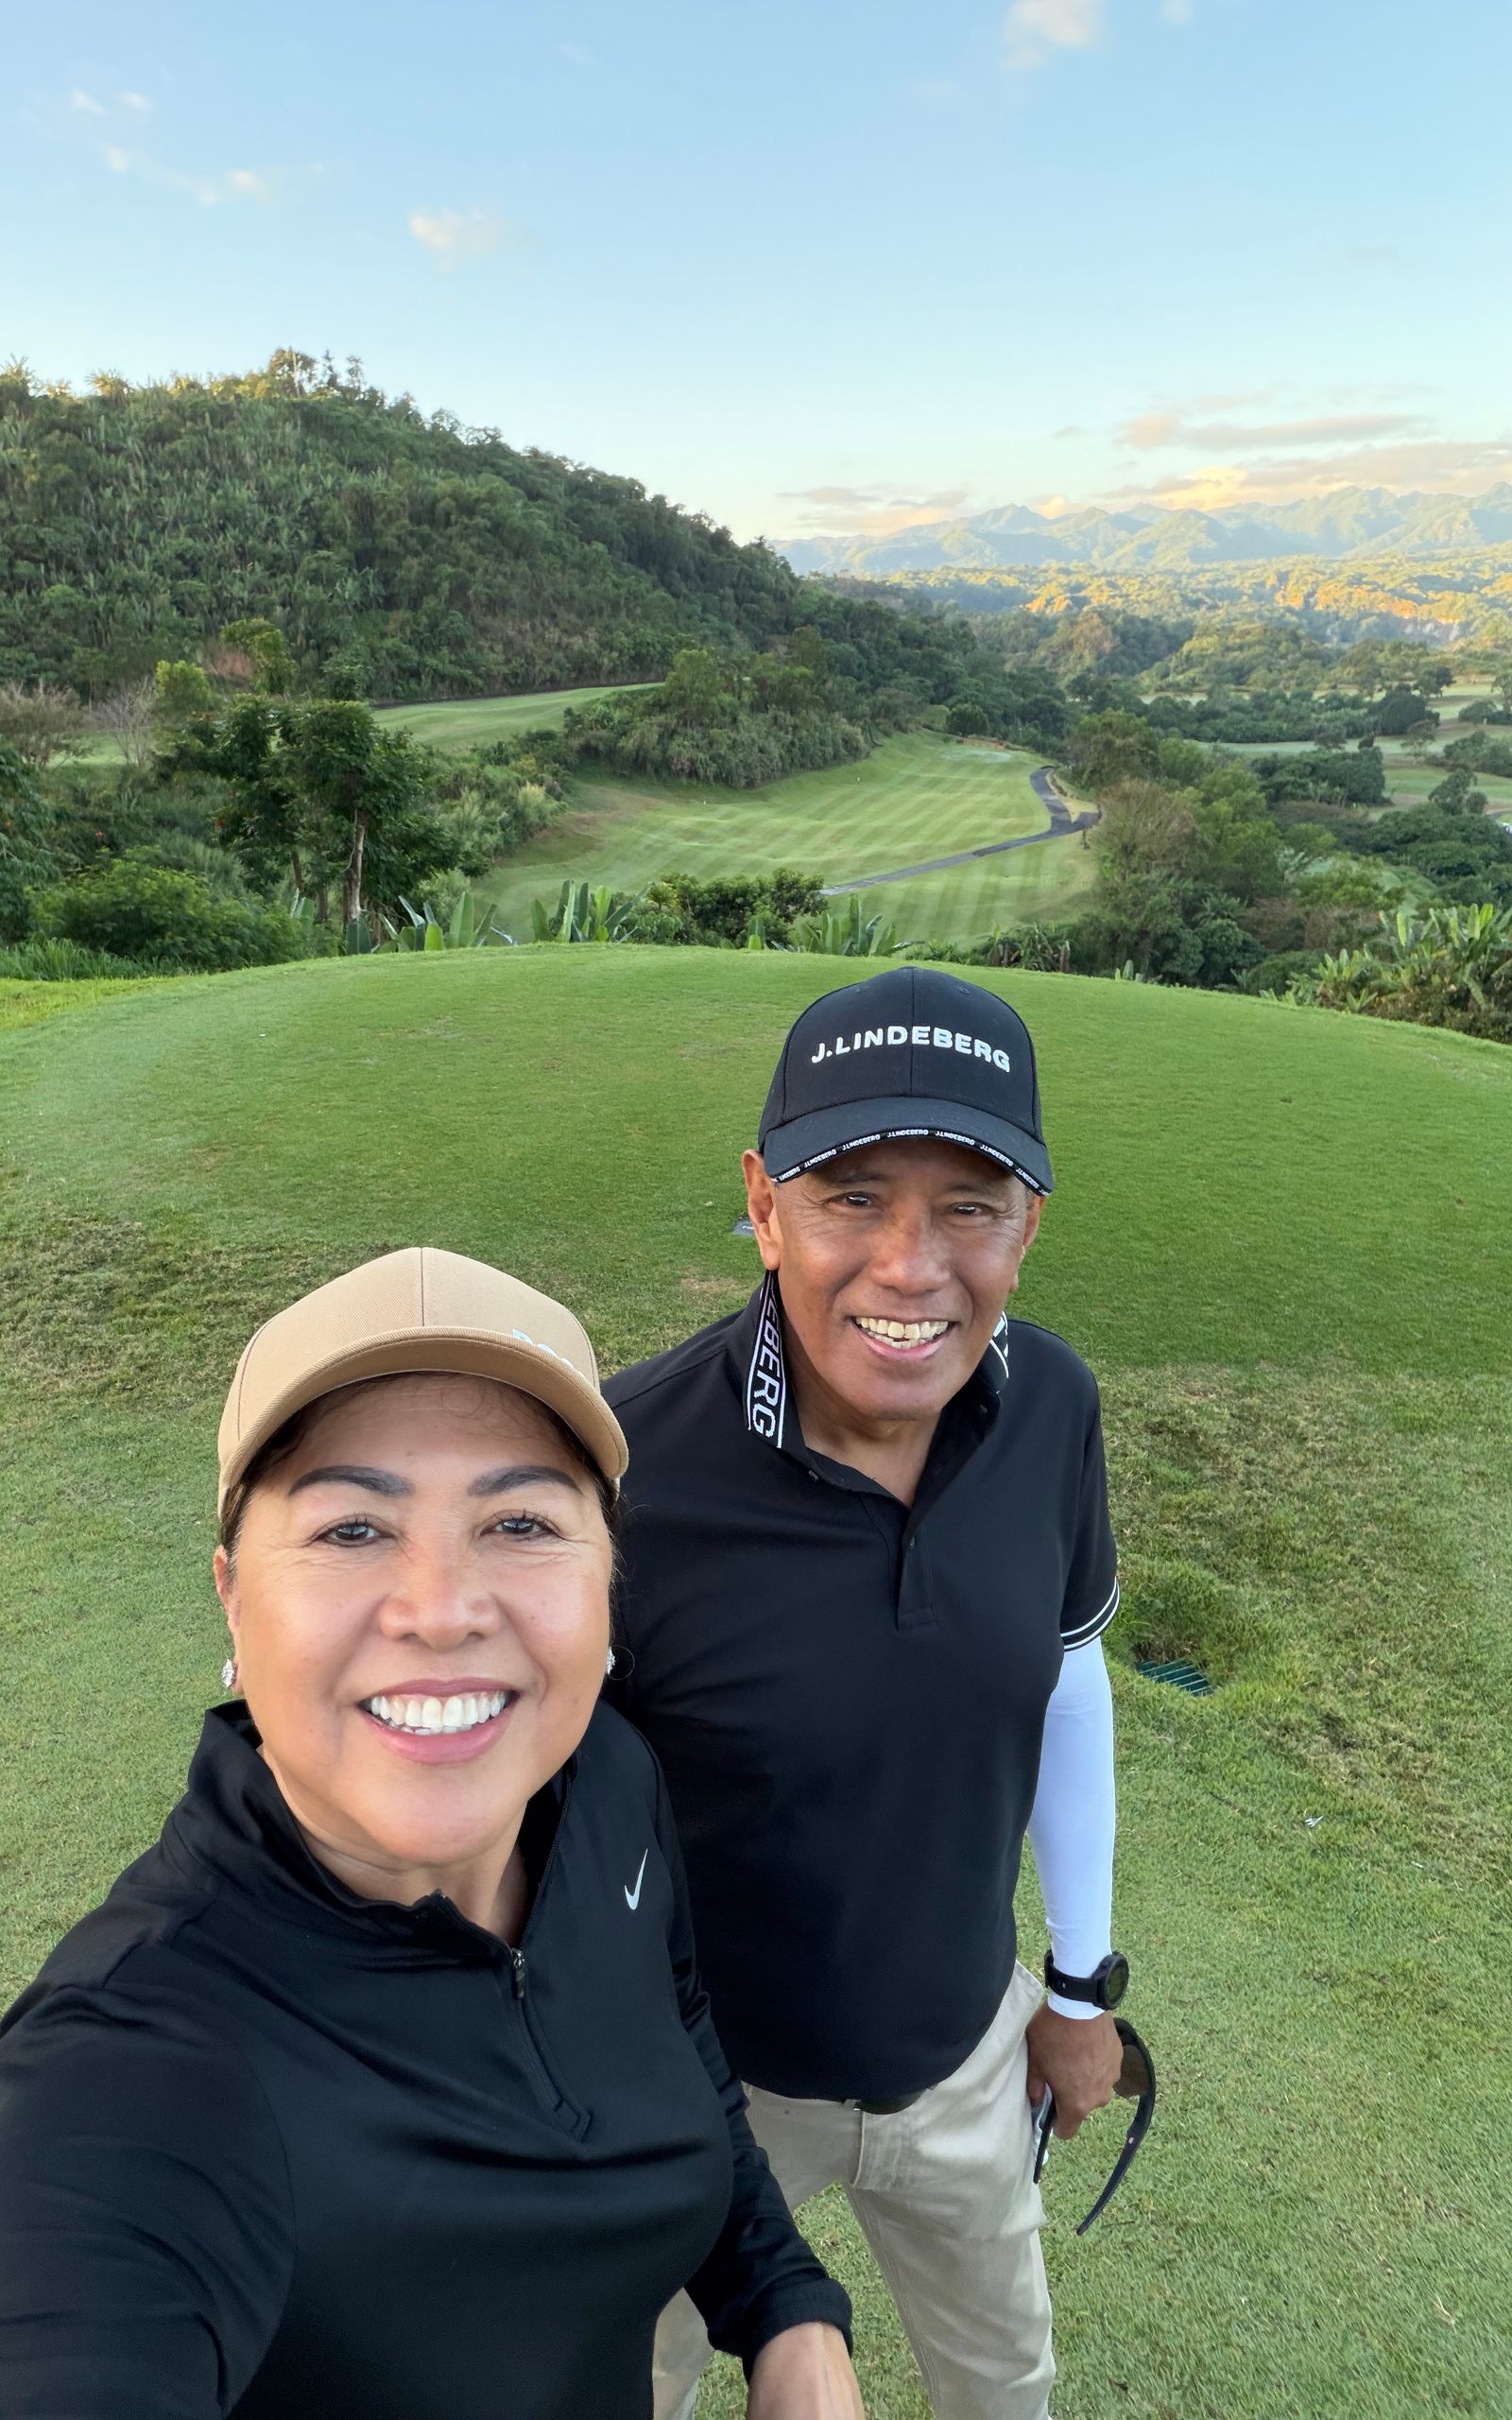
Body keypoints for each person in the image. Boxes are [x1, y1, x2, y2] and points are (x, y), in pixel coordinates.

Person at [0, 1248, 864, 2420]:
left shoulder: (607, 1783)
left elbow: (683, 2051)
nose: (442, 1609)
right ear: (232, 1594)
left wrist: (788, 2310)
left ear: (609, 1580)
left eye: (520, 1520)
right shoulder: (135, 2070)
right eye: (351, 1529)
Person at [606, 968, 1127, 2420]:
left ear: (1029, 1226)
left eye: (969, 1206)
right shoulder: (625, 1467)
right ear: (764, 1207)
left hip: (965, 2064)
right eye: (852, 1197)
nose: (911, 1266)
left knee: (1004, 2389)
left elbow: (1067, 1678)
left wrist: (1079, 1989)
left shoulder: (1056, 1408)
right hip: (699, 2088)